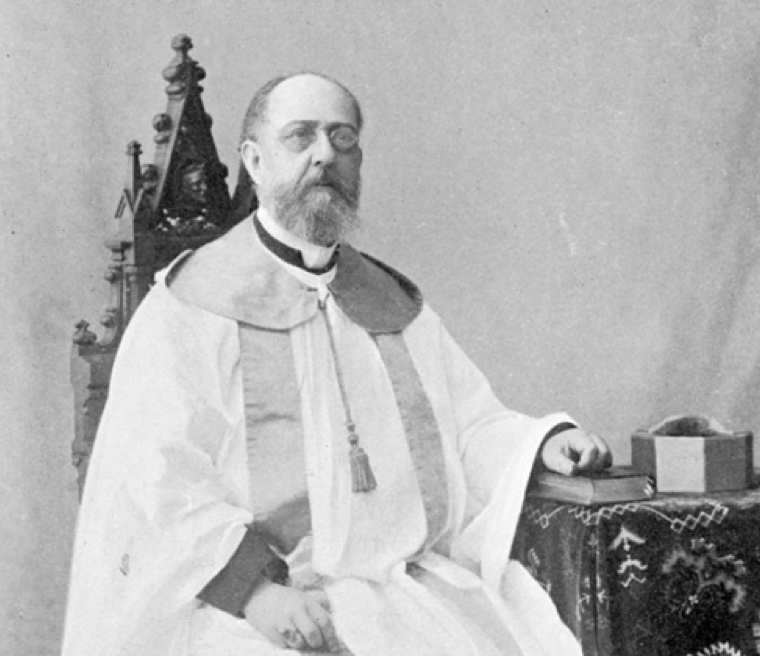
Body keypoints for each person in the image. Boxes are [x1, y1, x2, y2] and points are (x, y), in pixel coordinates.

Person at [62, 72, 612, 656]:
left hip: (396, 594)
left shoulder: (391, 303)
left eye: (341, 138)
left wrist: (542, 443)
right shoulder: (192, 304)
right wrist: (255, 593)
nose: (325, 154)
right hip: (244, 605)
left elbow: (469, 426)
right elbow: (154, 478)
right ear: (254, 160)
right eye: (300, 136)